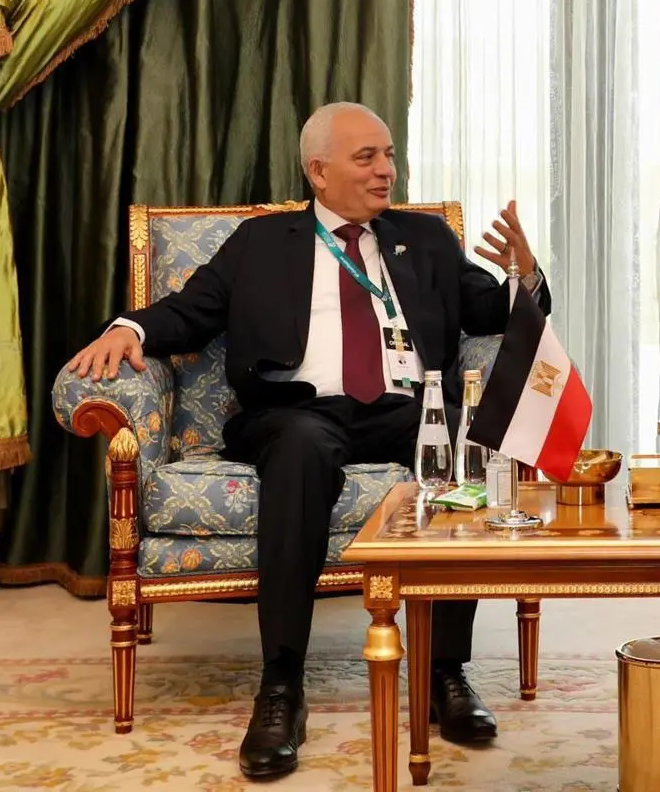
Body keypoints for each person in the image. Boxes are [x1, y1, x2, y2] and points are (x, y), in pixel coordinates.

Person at [66, 102, 549, 780]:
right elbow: (191, 311)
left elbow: (491, 312)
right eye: (366, 157)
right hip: (296, 410)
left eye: (388, 155)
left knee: (455, 447)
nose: (386, 170)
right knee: (300, 448)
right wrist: (130, 329)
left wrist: (524, 276)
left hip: (406, 410)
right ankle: (281, 686)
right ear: (319, 171)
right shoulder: (262, 242)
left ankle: (445, 672)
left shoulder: (425, 239)